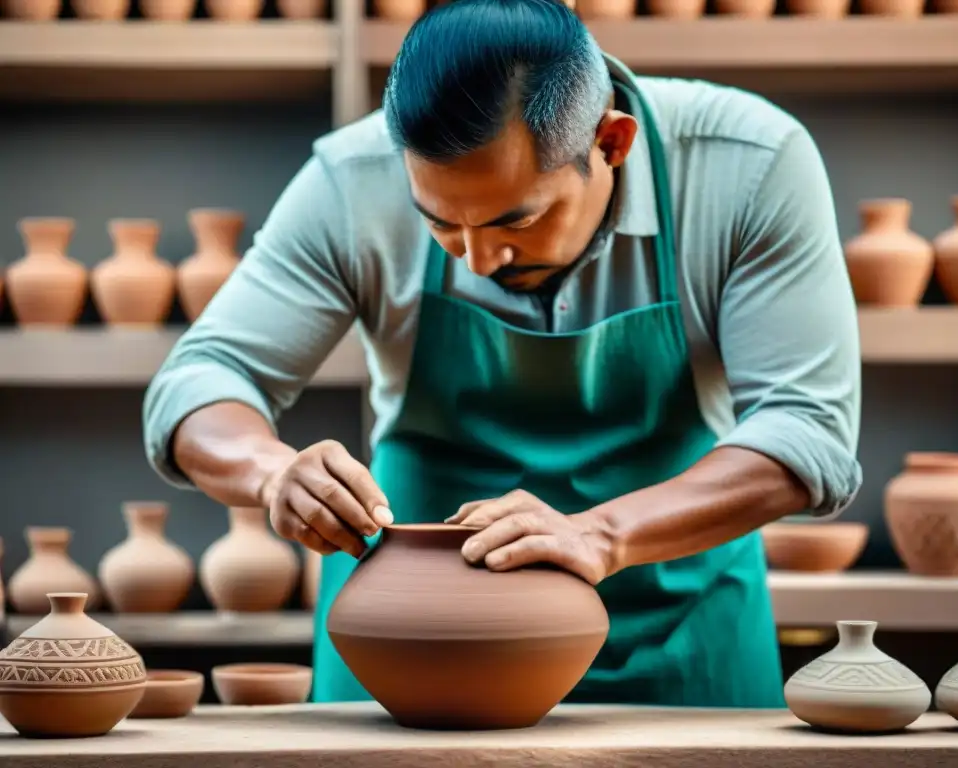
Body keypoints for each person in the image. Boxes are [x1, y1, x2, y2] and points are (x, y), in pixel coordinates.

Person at [143, 0, 862, 709]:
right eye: (440, 224)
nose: (480, 260)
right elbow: (199, 383)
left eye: (519, 218)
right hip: (413, 647)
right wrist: (272, 476)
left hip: (679, 640)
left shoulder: (748, 166)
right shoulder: (351, 180)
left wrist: (600, 533)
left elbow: (807, 430)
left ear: (611, 144)